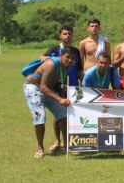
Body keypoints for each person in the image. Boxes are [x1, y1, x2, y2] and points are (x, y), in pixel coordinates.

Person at [23, 47, 74, 158]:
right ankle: (40, 148)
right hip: (33, 88)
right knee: (40, 117)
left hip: (48, 90)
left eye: (71, 58)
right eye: (67, 57)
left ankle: (66, 146)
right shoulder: (52, 64)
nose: (69, 60)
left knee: (63, 114)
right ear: (61, 55)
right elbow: (43, 87)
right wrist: (60, 99)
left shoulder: (66, 66)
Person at [41, 25, 83, 153]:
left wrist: (81, 85)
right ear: (60, 35)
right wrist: (44, 57)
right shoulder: (54, 49)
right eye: (65, 33)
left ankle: (71, 141)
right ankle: (57, 141)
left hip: (73, 85)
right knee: (57, 113)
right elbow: (42, 58)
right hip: (56, 86)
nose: (67, 36)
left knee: (75, 112)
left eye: (70, 34)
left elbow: (80, 69)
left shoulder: (75, 51)